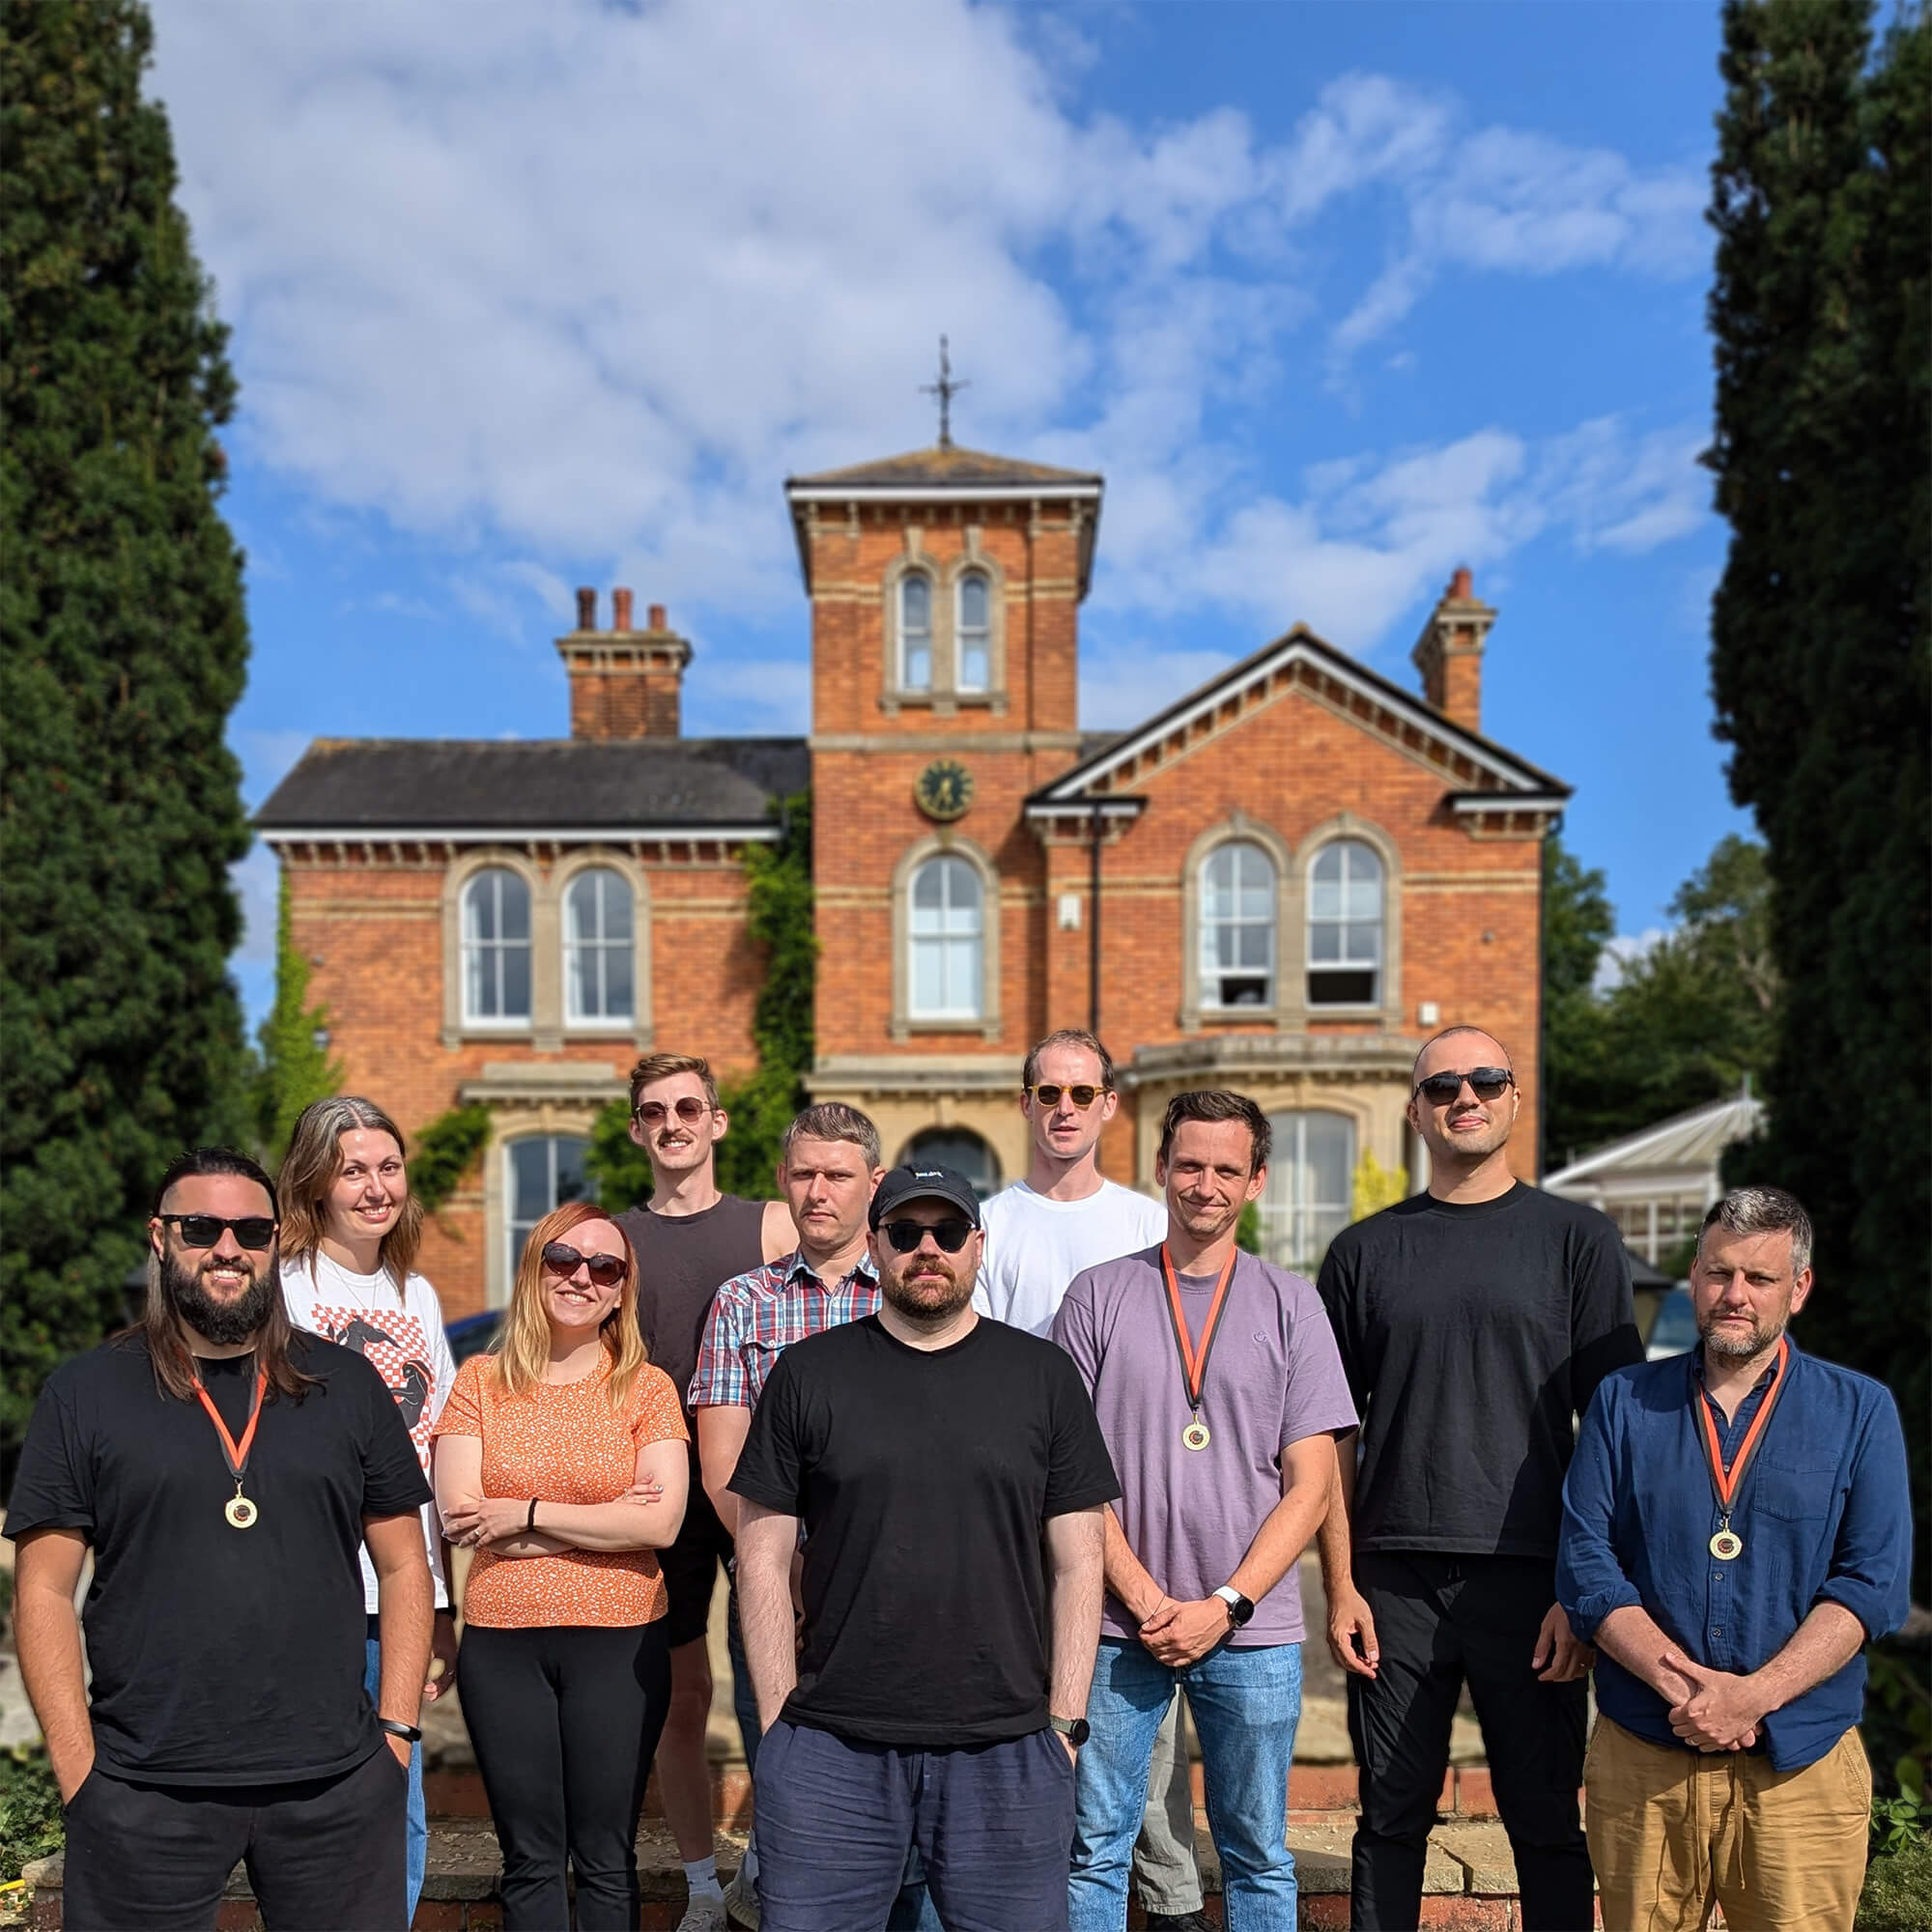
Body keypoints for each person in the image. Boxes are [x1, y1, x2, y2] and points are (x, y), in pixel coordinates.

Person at [6, 1147, 433, 1931]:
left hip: (335, 1787)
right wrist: (81, 1775)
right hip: (142, 1789)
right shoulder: (85, 1392)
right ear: (160, 1238)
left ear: (277, 1241)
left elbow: (407, 1564)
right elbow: (40, 1589)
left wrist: (396, 1742)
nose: (228, 1248)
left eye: (252, 1230)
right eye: (201, 1228)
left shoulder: (349, 1385)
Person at [731, 1162, 1120, 1932]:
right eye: (906, 1233)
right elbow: (763, 1557)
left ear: (979, 1244)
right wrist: (779, 1729)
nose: (927, 1249)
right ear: (875, 1245)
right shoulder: (810, 1374)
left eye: (947, 1232)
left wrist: (1065, 1726)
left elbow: (1081, 1562)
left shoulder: (1042, 1377)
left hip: (1007, 1748)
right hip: (831, 1748)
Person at [1315, 1026, 1643, 1932]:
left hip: (1534, 1576)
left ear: (1512, 1098)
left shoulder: (1578, 1240)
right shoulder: (1362, 1253)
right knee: (1388, 1817)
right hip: (1394, 1579)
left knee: (1544, 1818)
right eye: (1444, 1084)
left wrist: (1586, 1595)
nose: (1467, 1095)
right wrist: (1339, 1582)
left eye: (1486, 1080)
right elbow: (1326, 1436)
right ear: (1416, 1110)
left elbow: (1614, 1433)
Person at [1557, 1186, 1912, 1932]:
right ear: (1694, 1276)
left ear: (1800, 1288)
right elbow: (1586, 1563)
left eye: (1758, 1279)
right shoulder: (1624, 1402)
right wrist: (1690, 1692)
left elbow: (1871, 1583)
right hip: (1647, 1755)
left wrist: (1752, 1698)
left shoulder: (1860, 1410)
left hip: (1799, 1766)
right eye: (1719, 1274)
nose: (1734, 1296)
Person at [1056, 1090, 1355, 1932]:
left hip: (1251, 1634)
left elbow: (1312, 1483)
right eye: (1190, 1164)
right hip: (1118, 1626)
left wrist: (1224, 1606)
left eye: (1228, 1169)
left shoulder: (1293, 1304)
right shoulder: (1097, 1296)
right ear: (1160, 1169)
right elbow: (1068, 1474)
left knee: (1258, 1852)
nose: (1205, 1184)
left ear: (1257, 1181)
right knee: (1096, 1847)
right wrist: (1150, 1602)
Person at [975, 1029, 1204, 1932]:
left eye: (1082, 1093)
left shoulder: (1150, 1222)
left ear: (1110, 1104)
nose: (1064, 1109)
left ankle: (1174, 1900)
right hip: (1009, 1511)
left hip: (1130, 1515)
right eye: (1048, 1093)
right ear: (1025, 1102)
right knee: (1023, 1712)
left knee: (1137, 1739)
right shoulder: (987, 1224)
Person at [690, 1103, 937, 1931]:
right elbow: (723, 1466)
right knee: (793, 1791)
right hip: (774, 1588)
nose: (818, 1191)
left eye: (837, 1175)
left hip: (897, 1589)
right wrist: (789, 1572)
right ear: (782, 1182)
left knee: (912, 1804)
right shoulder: (742, 1304)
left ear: (874, 1183)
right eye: (803, 1174)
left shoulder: (913, 1292)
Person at [431, 1200, 689, 1931]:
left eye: (605, 1266)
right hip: (504, 1642)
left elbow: (662, 1522)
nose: (583, 1277)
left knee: (607, 1856)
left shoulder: (646, 1388)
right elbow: (462, 1517)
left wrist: (527, 1514)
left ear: (622, 1288)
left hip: (621, 1639)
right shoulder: (480, 1382)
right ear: (534, 1266)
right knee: (531, 1857)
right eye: (563, 1259)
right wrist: (609, 1524)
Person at [614, 1052, 792, 1932]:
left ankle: (770, 1862)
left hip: (760, 1488)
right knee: (681, 1699)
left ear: (718, 1121)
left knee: (775, 1685)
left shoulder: (771, 1228)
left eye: (690, 1107)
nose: (673, 1123)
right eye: (655, 1111)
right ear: (638, 1128)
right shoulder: (613, 1243)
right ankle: (700, 1885)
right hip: (659, 1494)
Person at [278, 1094, 460, 1924]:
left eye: (388, 1167)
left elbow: (442, 1450)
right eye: (353, 1170)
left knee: (399, 1796)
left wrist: (444, 1601)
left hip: (399, 1594)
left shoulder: (414, 1293)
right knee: (309, 1801)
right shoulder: (283, 1289)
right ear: (317, 1183)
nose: (375, 1187)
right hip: (306, 1590)